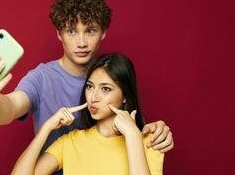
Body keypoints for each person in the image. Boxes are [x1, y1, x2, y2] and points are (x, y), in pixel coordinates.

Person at [0, 0, 173, 173]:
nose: (81, 42)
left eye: (90, 30)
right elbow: (9, 107)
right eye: (71, 30)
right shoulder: (42, 79)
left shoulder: (115, 77)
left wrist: (155, 132)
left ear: (103, 32)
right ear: (59, 33)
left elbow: (136, 128)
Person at [11, 53, 164, 175]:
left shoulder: (149, 142)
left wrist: (133, 137)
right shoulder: (70, 142)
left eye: (106, 89)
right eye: (90, 87)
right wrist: (46, 128)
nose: (93, 97)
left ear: (125, 95)